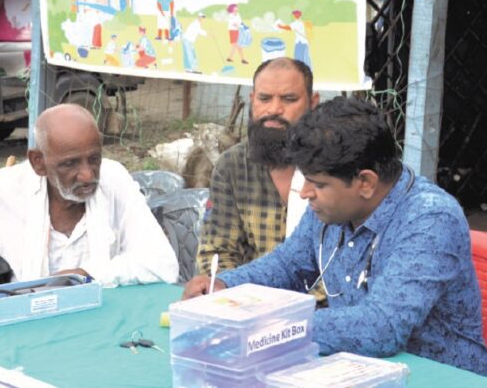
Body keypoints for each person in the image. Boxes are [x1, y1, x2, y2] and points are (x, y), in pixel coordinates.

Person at [184, 97, 487, 375]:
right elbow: (289, 264)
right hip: (360, 369)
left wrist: (268, 326)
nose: (304, 193)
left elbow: (381, 327)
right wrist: (226, 286)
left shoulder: (430, 219)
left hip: (441, 375)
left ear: (365, 182)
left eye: (317, 183)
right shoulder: (334, 206)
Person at [0, 104, 179, 313]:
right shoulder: (0, 189)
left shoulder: (114, 178)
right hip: (27, 323)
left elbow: (162, 263)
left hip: (104, 318)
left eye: (94, 159)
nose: (87, 175)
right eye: (70, 164)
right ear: (38, 163)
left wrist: (87, 276)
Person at [196, 57, 319, 274]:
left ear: (312, 102)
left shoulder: (330, 163)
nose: (274, 109)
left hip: (322, 302)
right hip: (249, 297)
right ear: (252, 100)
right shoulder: (232, 166)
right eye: (264, 98)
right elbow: (216, 252)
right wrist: (231, 292)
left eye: (289, 99)